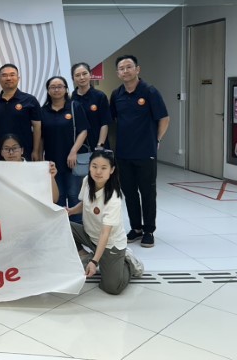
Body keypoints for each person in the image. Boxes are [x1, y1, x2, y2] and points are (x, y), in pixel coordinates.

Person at [110, 55, 170, 248]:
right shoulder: (116, 94)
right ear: (118, 73)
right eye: (121, 68)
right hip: (123, 153)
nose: (125, 71)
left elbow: (164, 118)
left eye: (129, 67)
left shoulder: (150, 91)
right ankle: (136, 228)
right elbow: (113, 121)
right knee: (129, 192)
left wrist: (157, 139)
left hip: (145, 152)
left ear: (137, 69)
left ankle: (149, 230)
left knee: (147, 192)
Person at [67, 149, 144, 295]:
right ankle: (86, 256)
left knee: (112, 287)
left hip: (110, 244)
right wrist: (70, 211)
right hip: (90, 235)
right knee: (62, 225)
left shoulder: (113, 198)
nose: (98, 172)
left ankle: (128, 262)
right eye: (94, 166)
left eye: (103, 168)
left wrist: (94, 262)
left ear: (112, 170)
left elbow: (105, 233)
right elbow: (85, 204)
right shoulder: (87, 181)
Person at [40, 76, 89, 220]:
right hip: (52, 161)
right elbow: (40, 136)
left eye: (60, 86)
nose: (56, 89)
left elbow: (83, 131)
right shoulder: (43, 111)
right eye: (53, 87)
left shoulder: (74, 107)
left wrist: (73, 152)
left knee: (74, 195)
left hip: (72, 160)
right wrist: (40, 156)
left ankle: (76, 228)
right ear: (48, 90)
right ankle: (61, 228)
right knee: (58, 197)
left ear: (66, 89)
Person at [0, 64, 42, 161]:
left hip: (25, 151)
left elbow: (37, 127)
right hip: (0, 153)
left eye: (12, 75)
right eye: (4, 75)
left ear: (18, 78)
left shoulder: (30, 100)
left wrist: (36, 151)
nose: (8, 78)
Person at [0, 133, 59, 203]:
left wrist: (51, 177)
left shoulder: (35, 170)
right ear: (1, 152)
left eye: (15, 148)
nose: (11, 152)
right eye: (6, 149)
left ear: (22, 150)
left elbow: (54, 199)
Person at [71, 62, 112, 150]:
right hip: (78, 147)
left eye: (84, 73)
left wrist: (100, 145)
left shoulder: (100, 96)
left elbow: (104, 123)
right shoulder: (71, 99)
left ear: (90, 75)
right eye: (77, 75)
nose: (82, 77)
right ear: (73, 78)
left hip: (98, 144)